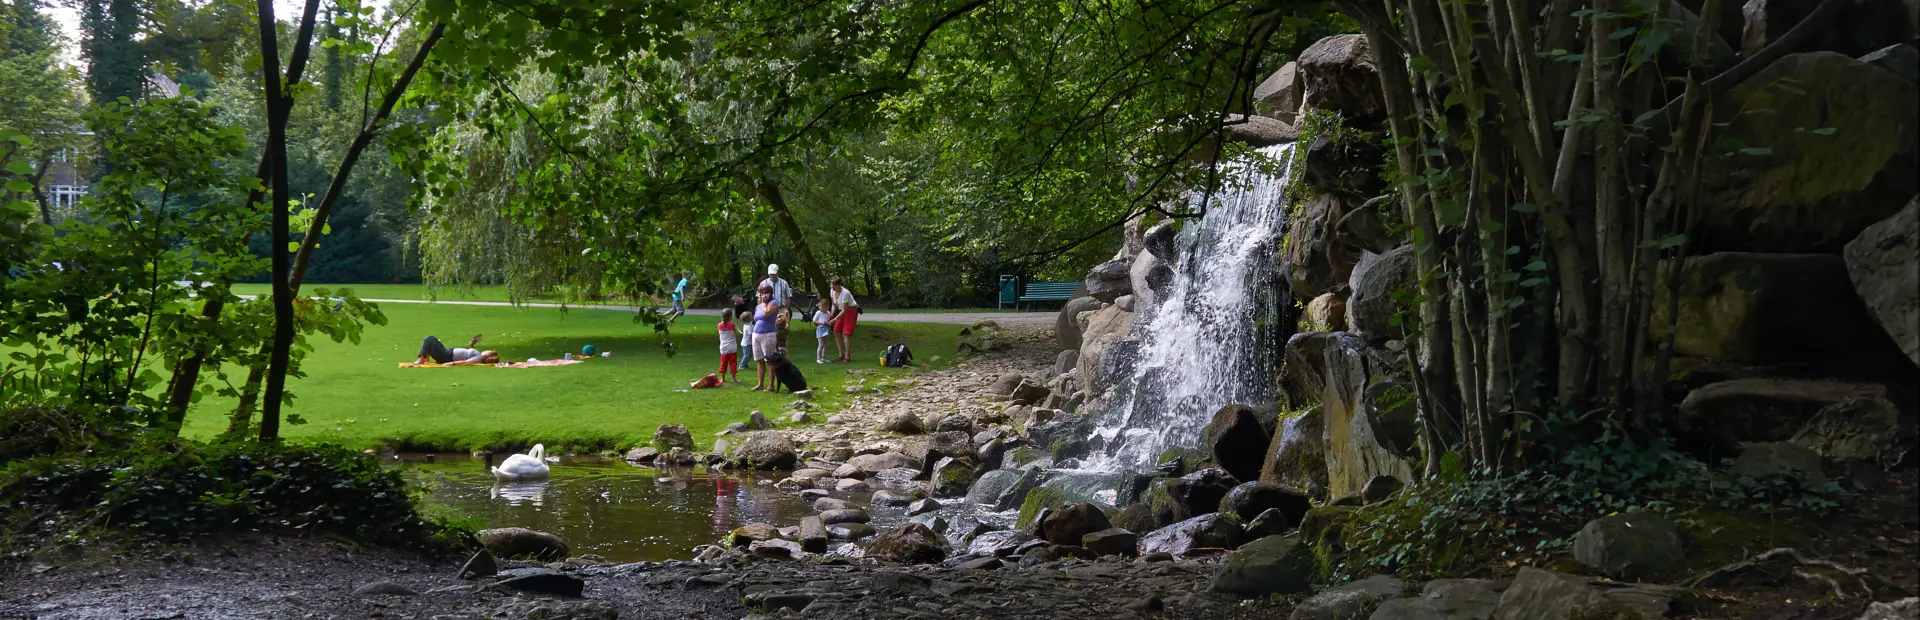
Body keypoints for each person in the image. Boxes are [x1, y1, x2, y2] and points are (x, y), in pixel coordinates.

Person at [751, 285, 779, 391]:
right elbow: (756, 318)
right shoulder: (759, 306)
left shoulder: (773, 303)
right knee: (759, 360)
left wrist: (762, 303)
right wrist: (760, 304)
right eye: (760, 293)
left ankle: (771, 385)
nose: (761, 295)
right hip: (756, 334)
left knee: (769, 360)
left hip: (768, 335)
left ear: (769, 293)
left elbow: (767, 313)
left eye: (763, 293)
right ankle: (760, 383)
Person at [415, 333, 499, 366]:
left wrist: (450, 364)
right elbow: (467, 354)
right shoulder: (478, 356)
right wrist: (472, 344)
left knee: (430, 339)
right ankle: (425, 358)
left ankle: (422, 360)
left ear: (488, 355)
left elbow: (467, 362)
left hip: (446, 356)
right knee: (433, 341)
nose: (487, 350)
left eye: (489, 351)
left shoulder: (479, 358)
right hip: (447, 353)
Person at [762, 264, 792, 353]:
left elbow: (788, 297)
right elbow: (759, 298)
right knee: (770, 330)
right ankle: (771, 351)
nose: (772, 276)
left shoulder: (784, 283)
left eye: (774, 274)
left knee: (782, 330)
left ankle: (782, 351)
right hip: (768, 309)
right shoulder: (764, 284)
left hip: (781, 308)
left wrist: (786, 310)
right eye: (771, 274)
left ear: (777, 273)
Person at [829, 276, 859, 362]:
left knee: (845, 334)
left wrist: (834, 319)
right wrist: (831, 315)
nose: (832, 287)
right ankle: (840, 355)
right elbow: (834, 304)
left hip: (850, 310)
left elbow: (846, 309)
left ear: (838, 285)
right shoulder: (832, 291)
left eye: (834, 285)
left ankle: (847, 357)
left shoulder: (845, 293)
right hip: (842, 310)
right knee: (836, 331)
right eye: (832, 285)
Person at [717, 309, 741, 385]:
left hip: (723, 348)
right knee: (733, 363)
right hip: (732, 347)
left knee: (723, 363)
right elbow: (734, 332)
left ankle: (723, 379)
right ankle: (734, 379)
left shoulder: (719, 325)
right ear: (730, 317)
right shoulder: (732, 324)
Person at [731, 294, 754, 371]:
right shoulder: (749, 326)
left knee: (748, 354)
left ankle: (745, 364)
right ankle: (742, 365)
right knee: (747, 355)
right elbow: (751, 335)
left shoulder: (747, 325)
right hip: (747, 343)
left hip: (746, 343)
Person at [811, 298, 834, 364]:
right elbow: (814, 320)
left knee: (826, 344)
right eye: (820, 306)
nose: (821, 308)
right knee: (821, 344)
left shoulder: (828, 313)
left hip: (826, 329)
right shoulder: (818, 313)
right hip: (820, 329)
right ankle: (818, 358)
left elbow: (828, 320)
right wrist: (821, 323)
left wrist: (828, 323)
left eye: (823, 307)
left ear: (827, 307)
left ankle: (823, 358)